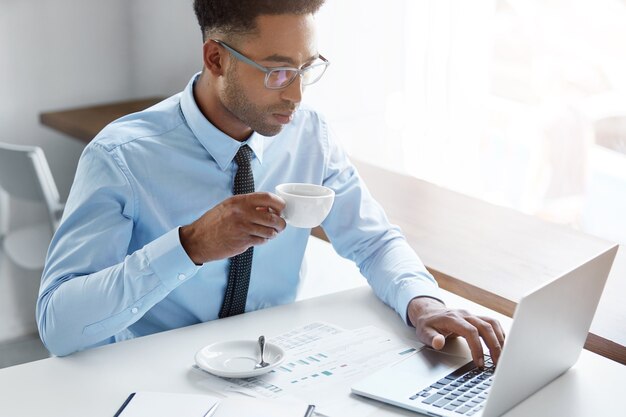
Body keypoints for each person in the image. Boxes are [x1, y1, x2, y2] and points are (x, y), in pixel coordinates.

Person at [37, 0, 504, 367]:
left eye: (307, 67)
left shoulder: (309, 135)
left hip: (277, 367)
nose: (297, 95)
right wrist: (190, 246)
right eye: (278, 71)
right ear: (216, 58)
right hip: (158, 375)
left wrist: (421, 303)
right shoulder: (121, 156)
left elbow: (373, 241)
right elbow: (58, 326)